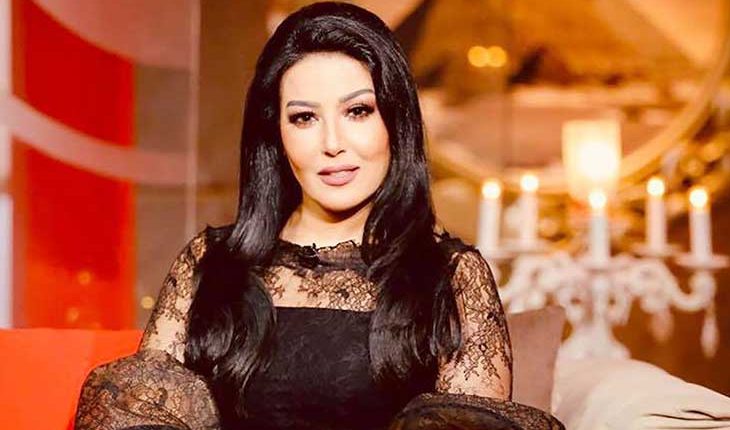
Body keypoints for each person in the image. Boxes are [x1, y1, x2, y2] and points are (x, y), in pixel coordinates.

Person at [74, 2, 565, 429]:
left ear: (395, 120)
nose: (332, 143)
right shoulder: (209, 263)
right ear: (277, 133)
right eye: (304, 117)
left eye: (358, 111)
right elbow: (144, 414)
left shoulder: (451, 276)